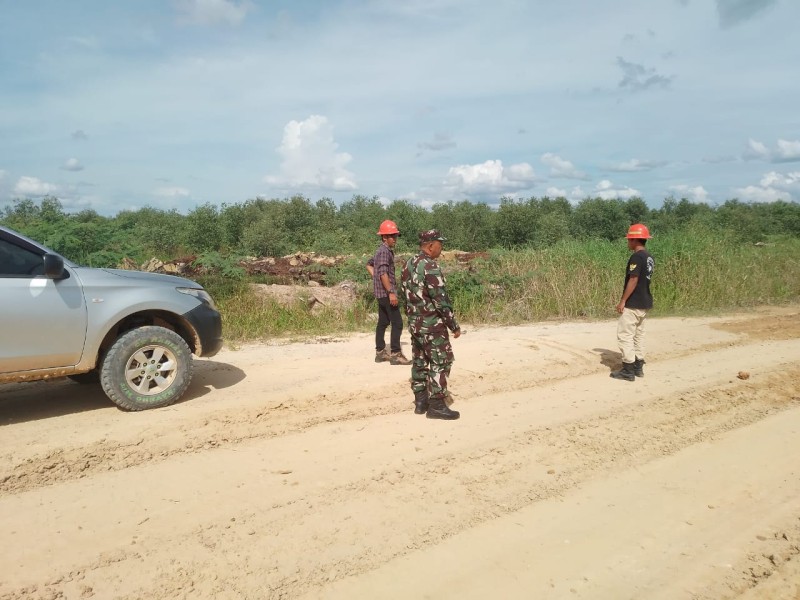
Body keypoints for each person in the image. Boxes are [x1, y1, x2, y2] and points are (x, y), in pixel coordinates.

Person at [401, 229, 461, 420]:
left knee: (419, 361)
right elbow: (440, 300)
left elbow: (405, 295)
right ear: (430, 245)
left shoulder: (408, 264)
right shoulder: (430, 266)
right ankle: (436, 404)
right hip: (432, 324)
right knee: (441, 360)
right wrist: (453, 325)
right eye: (439, 245)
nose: (441, 250)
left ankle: (421, 402)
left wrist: (412, 318)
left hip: (415, 323)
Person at [610, 223, 654, 381]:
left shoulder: (636, 257)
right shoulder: (649, 257)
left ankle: (628, 369)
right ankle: (638, 366)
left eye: (629, 239)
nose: (628, 242)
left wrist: (623, 301)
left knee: (625, 335)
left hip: (634, 303)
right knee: (638, 335)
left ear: (635, 240)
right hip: (644, 302)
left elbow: (634, 279)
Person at [366, 220, 411, 366]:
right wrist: (391, 291)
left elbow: (369, 264)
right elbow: (384, 273)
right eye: (392, 236)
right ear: (384, 237)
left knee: (383, 322)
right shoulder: (384, 251)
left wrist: (376, 277)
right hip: (386, 293)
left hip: (380, 292)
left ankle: (380, 353)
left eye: (396, 236)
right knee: (397, 323)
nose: (395, 239)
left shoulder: (380, 251)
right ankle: (396, 354)